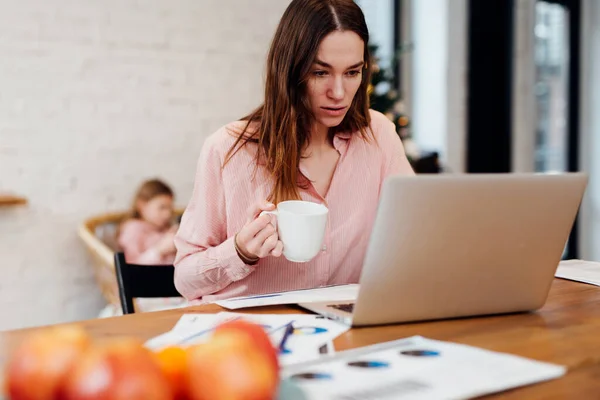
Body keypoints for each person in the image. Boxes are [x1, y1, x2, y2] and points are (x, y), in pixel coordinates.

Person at [174, 0, 414, 304]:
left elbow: (416, 235)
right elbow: (184, 279)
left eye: (352, 72)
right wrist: (240, 251)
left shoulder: (377, 135)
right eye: (319, 73)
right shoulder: (227, 149)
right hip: (248, 333)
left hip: (340, 335)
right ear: (290, 70)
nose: (339, 93)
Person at [99, 179, 186, 317]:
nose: (167, 214)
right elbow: (131, 268)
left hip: (173, 285)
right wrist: (159, 251)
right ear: (142, 205)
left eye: (170, 208)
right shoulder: (133, 230)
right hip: (145, 292)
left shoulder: (166, 230)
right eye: (162, 207)